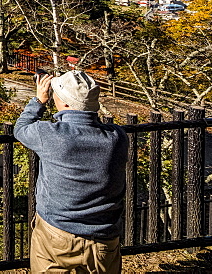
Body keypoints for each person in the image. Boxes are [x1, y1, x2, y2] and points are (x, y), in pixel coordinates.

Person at [14, 70, 129, 274]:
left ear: (65, 103)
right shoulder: (117, 137)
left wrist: (40, 100)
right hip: (104, 235)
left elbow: (21, 128)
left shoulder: (50, 134)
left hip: (57, 231)